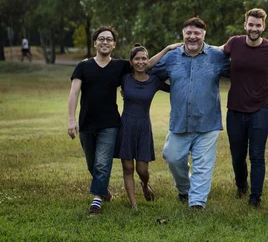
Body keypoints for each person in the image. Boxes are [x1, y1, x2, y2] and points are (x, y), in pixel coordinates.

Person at [67, 26, 173, 215]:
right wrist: (70, 119)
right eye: (101, 38)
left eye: (109, 39)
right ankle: (103, 190)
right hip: (86, 123)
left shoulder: (120, 66)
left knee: (102, 163)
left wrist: (167, 49)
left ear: (114, 44)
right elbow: (74, 93)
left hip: (111, 124)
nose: (105, 42)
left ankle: (97, 200)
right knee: (92, 164)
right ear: (95, 43)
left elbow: (145, 64)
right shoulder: (83, 66)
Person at [152, 17, 230, 210]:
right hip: (180, 120)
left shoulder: (216, 56)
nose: (193, 37)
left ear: (204, 35)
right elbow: (149, 72)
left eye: (197, 33)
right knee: (172, 157)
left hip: (208, 120)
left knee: (203, 164)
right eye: (189, 33)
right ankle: (185, 190)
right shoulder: (172, 57)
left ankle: (197, 203)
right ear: (183, 35)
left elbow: (241, 70)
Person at [223, 8, 268, 208]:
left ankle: (255, 197)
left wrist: (267, 88)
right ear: (245, 25)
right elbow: (215, 54)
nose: (254, 28)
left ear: (263, 27)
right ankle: (241, 185)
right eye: (251, 24)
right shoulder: (234, 43)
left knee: (257, 155)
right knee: (238, 155)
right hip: (235, 109)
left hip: (260, 110)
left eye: (258, 25)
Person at [114, 43, 177, 209]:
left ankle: (144, 184)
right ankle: (133, 204)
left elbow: (176, 89)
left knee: (142, 169)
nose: (141, 62)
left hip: (143, 127)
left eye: (144, 58)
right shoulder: (125, 78)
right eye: (137, 59)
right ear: (131, 61)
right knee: (127, 167)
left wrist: (168, 49)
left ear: (148, 61)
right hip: (126, 126)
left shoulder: (154, 81)